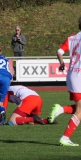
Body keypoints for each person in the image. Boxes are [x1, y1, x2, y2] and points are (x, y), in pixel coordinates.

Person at [49, 17, 81, 146]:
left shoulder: (72, 38)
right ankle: (65, 137)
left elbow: (59, 51)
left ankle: (61, 109)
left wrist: (62, 63)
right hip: (79, 76)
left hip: (72, 74)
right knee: (80, 111)